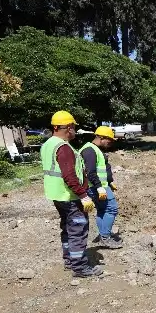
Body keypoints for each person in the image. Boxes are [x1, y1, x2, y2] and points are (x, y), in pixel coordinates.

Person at [40, 111, 102, 277]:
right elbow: (69, 176)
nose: (75, 130)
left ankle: (69, 260)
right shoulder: (64, 148)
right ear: (68, 128)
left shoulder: (48, 144)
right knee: (78, 230)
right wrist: (83, 195)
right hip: (70, 196)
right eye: (74, 127)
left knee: (68, 229)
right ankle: (80, 267)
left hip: (57, 195)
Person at [80, 126, 122, 249]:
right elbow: (90, 172)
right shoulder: (89, 150)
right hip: (96, 187)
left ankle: (103, 235)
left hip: (101, 186)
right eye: (109, 140)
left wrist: (109, 182)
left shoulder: (95, 149)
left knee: (102, 210)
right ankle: (105, 237)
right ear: (101, 138)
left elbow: (103, 168)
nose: (111, 143)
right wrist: (99, 187)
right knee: (111, 209)